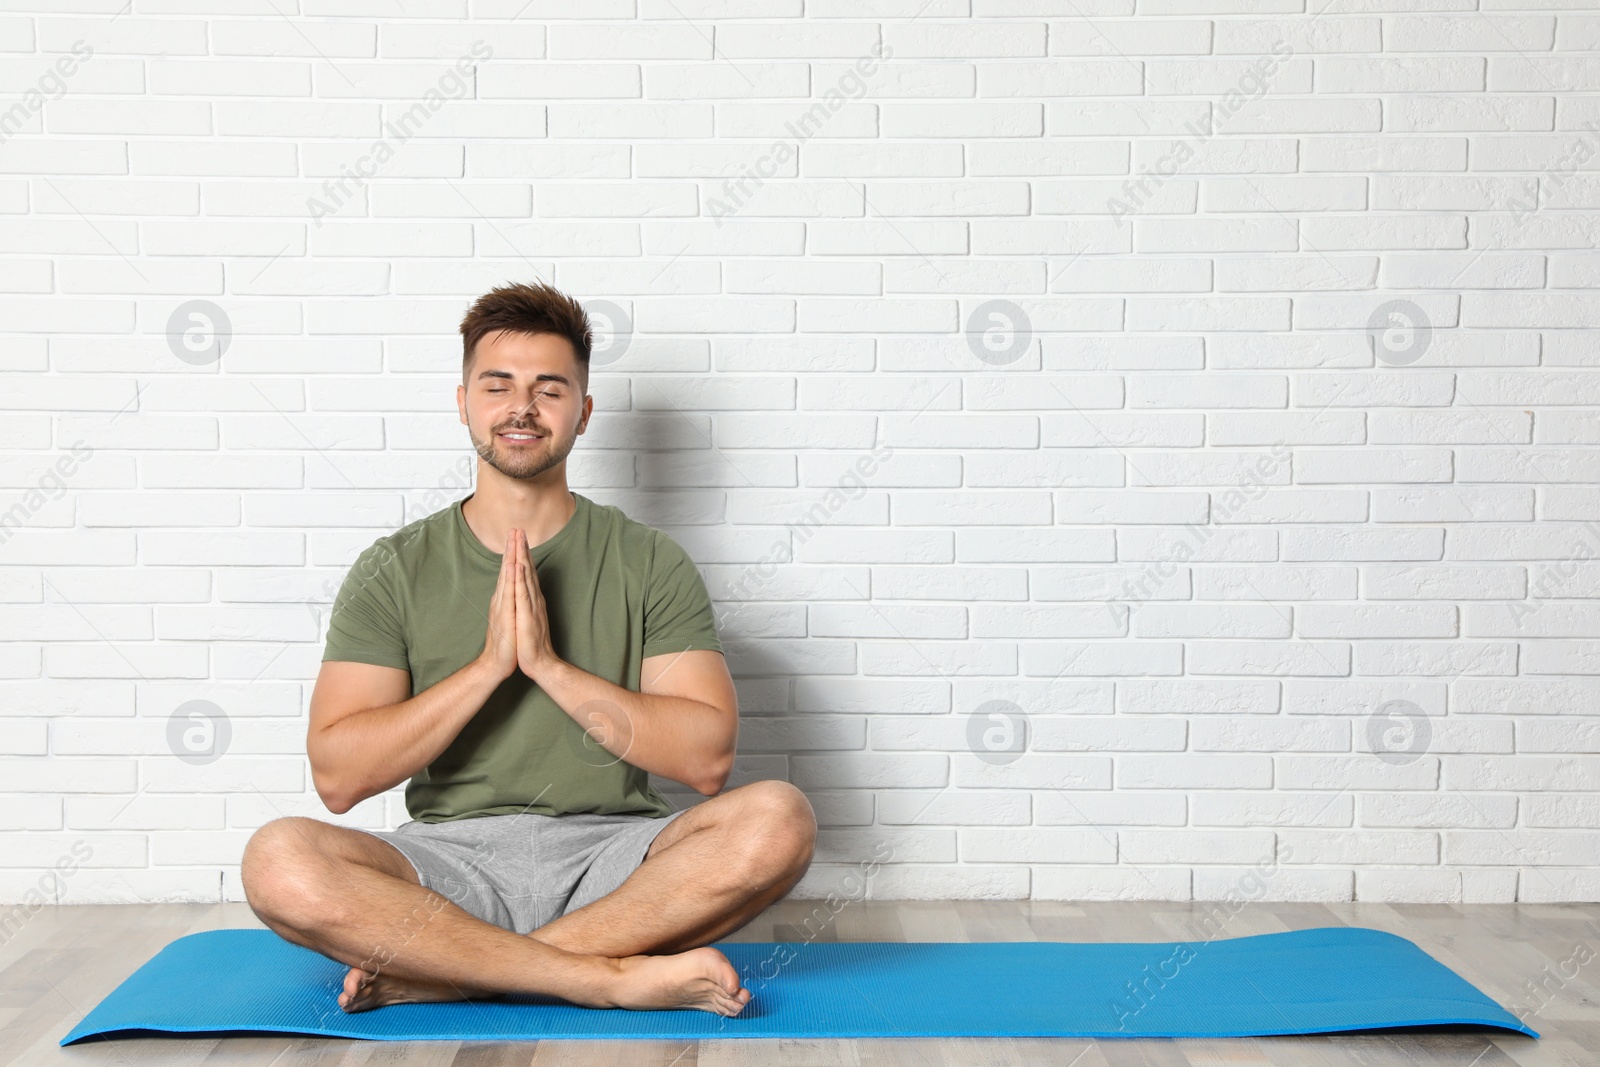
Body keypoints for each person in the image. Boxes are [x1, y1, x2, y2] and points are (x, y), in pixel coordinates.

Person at [240, 281, 816, 1017]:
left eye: (550, 388)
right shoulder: (393, 568)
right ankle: (601, 976)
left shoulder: (648, 560)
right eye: (498, 385)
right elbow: (339, 776)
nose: (522, 407)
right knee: (278, 859)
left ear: (583, 410)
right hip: (448, 863)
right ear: (463, 402)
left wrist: (548, 666)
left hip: (615, 862)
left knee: (780, 817)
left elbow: (705, 759)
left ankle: (460, 973)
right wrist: (488, 669)